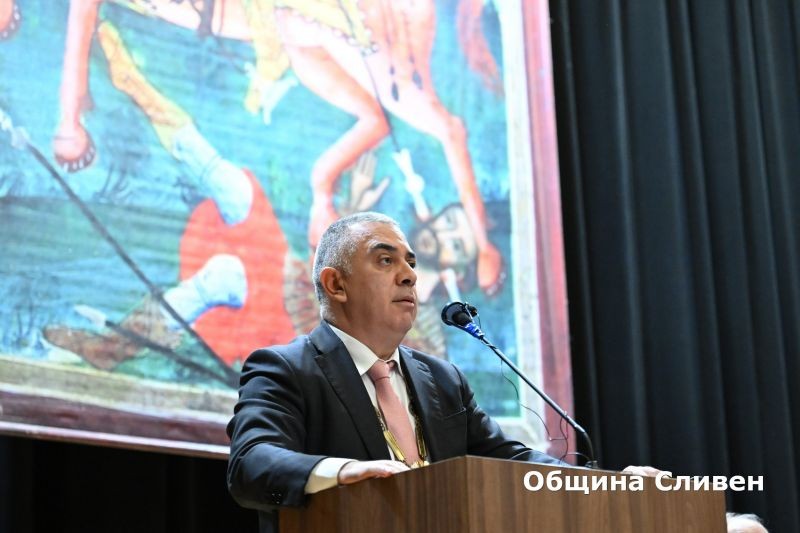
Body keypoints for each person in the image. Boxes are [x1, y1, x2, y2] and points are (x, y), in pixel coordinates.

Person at [226, 212, 663, 532]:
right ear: (336, 284)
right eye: (385, 261)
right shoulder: (286, 369)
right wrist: (344, 472)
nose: (409, 276)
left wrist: (607, 485)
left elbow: (514, 462)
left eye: (411, 263)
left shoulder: (442, 379)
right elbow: (251, 464)